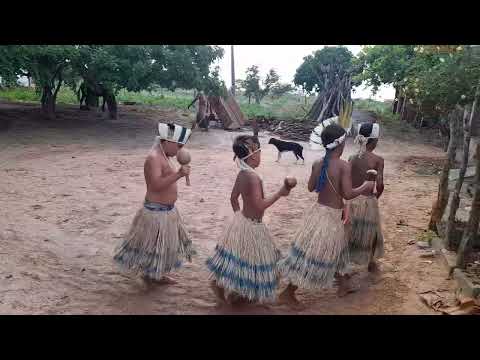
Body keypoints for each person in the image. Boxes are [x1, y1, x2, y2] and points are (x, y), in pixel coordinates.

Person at [278, 123, 375, 304]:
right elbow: (347, 194)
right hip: (330, 217)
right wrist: (365, 186)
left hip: (318, 213)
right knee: (316, 253)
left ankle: (343, 283)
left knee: (335, 248)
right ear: (341, 144)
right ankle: (288, 292)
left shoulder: (318, 163)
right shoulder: (343, 166)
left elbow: (310, 187)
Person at [207, 135, 291, 304]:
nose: (260, 155)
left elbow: (233, 198)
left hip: (244, 223)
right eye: (259, 151)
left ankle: (231, 289)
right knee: (257, 260)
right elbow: (260, 206)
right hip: (253, 226)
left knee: (240, 260)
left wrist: (239, 219)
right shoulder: (253, 177)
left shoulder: (243, 174)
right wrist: (280, 193)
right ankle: (228, 289)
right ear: (253, 154)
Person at [113, 122, 193, 285]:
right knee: (153, 246)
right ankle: (149, 275)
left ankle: (156, 274)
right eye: (179, 146)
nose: (180, 150)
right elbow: (155, 186)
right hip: (155, 212)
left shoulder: (165, 155)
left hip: (166, 211)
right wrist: (178, 174)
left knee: (160, 247)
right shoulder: (153, 158)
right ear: (168, 141)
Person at [346, 122, 384, 273]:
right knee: (373, 232)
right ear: (373, 141)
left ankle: (346, 263)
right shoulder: (378, 160)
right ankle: (371, 262)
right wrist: (376, 196)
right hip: (368, 201)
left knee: (351, 232)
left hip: (353, 199)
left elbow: (347, 181)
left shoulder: (352, 157)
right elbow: (380, 184)